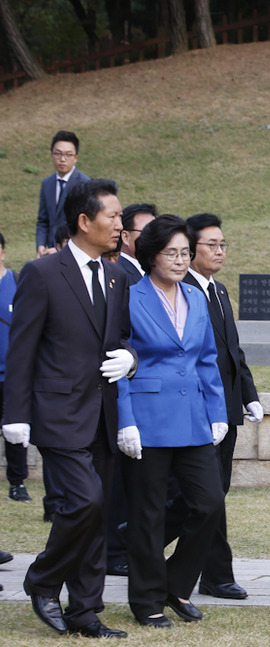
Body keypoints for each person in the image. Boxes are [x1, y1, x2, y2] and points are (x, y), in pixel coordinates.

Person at [2, 178, 136, 638]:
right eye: (113, 216)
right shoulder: (41, 273)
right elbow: (22, 349)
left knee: (97, 515)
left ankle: (85, 613)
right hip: (57, 413)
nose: (120, 224)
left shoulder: (118, 274)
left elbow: (121, 339)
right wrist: (14, 415)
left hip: (104, 413)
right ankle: (41, 580)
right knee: (86, 502)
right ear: (84, 221)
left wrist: (131, 359)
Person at [115, 214, 228, 628]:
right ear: (151, 254)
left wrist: (217, 413)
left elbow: (207, 360)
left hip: (194, 417)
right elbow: (116, 361)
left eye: (185, 252)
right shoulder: (129, 296)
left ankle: (175, 584)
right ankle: (146, 600)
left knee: (209, 502)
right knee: (147, 514)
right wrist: (125, 420)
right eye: (172, 253)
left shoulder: (196, 297)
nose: (181, 261)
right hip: (147, 419)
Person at [173, 212, 262, 600]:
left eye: (223, 244)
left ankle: (209, 571)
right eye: (212, 244)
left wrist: (250, 394)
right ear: (191, 250)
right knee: (204, 495)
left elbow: (232, 351)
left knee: (215, 492)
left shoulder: (219, 290)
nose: (220, 250)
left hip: (227, 409)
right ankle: (214, 573)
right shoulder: (183, 290)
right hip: (198, 411)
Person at [104, 203, 156, 576]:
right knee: (120, 482)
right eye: (146, 234)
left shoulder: (144, 274)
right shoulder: (120, 274)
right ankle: (114, 550)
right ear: (125, 237)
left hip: (145, 390)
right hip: (123, 391)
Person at [0, 232, 31, 503]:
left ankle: (17, 483)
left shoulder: (17, 282)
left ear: (3, 252)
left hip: (11, 375)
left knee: (15, 431)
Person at [36, 131, 91, 257]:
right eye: (58, 153)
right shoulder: (47, 183)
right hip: (49, 252)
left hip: (74, 252)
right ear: (51, 155)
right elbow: (43, 220)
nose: (62, 159)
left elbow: (84, 224)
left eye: (68, 154)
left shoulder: (85, 184)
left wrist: (61, 249)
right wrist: (40, 246)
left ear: (76, 157)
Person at [117, 204, 157, 282]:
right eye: (147, 231)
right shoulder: (117, 275)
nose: (155, 238)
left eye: (156, 232)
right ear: (126, 237)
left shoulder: (159, 272)